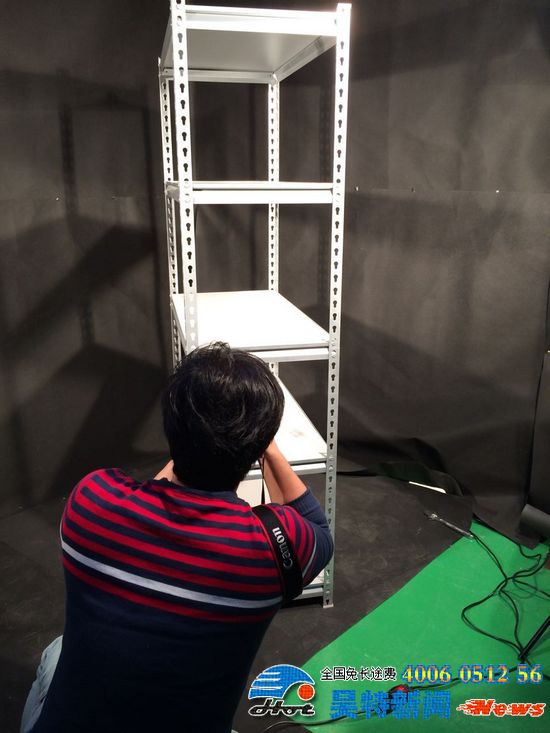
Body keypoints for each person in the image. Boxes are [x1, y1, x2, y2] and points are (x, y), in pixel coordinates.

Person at [21, 342, 333, 733]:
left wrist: (195, 437)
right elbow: (316, 526)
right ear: (256, 448)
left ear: (170, 426)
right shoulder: (270, 553)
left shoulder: (91, 502)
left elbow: (158, 491)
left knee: (57, 648)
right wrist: (262, 442)